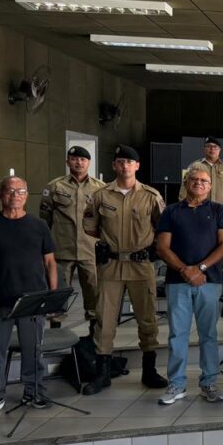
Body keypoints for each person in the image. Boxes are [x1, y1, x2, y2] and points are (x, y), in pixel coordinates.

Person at [0, 176, 58, 416]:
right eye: (9, 191)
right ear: (0, 195)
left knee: (33, 350)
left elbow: (50, 263)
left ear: (27, 195)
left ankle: (34, 391)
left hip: (32, 301)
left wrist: (51, 296)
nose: (15, 195)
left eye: (21, 191)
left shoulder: (39, 226)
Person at [81, 145, 168, 395]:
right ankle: (102, 373)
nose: (125, 166)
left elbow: (162, 227)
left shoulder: (150, 196)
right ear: (114, 166)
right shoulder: (100, 195)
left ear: (137, 166)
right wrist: (112, 243)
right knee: (104, 319)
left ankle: (149, 371)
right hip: (111, 264)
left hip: (141, 265)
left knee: (147, 318)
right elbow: (90, 227)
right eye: (120, 162)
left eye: (129, 162)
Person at [155, 167, 223, 405]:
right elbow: (162, 247)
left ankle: (208, 382)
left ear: (210, 186)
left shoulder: (218, 210)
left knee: (208, 334)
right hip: (178, 281)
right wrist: (185, 270)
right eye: (194, 180)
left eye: (204, 181)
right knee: (178, 334)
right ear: (186, 183)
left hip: (209, 281)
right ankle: (176, 385)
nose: (199, 183)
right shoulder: (171, 211)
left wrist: (200, 269)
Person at [39, 145, 105, 337]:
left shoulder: (100, 188)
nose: (79, 162)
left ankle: (94, 336)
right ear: (68, 161)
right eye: (74, 159)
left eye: (83, 160)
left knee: (93, 293)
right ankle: (55, 332)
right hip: (62, 250)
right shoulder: (54, 186)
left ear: (89, 163)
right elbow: (45, 219)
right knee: (58, 292)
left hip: (89, 251)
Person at [179, 137, 223, 213]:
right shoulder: (195, 166)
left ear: (220, 150)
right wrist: (184, 210)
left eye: (215, 147)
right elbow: (184, 190)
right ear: (204, 149)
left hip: (222, 212)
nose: (212, 149)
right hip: (199, 211)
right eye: (209, 146)